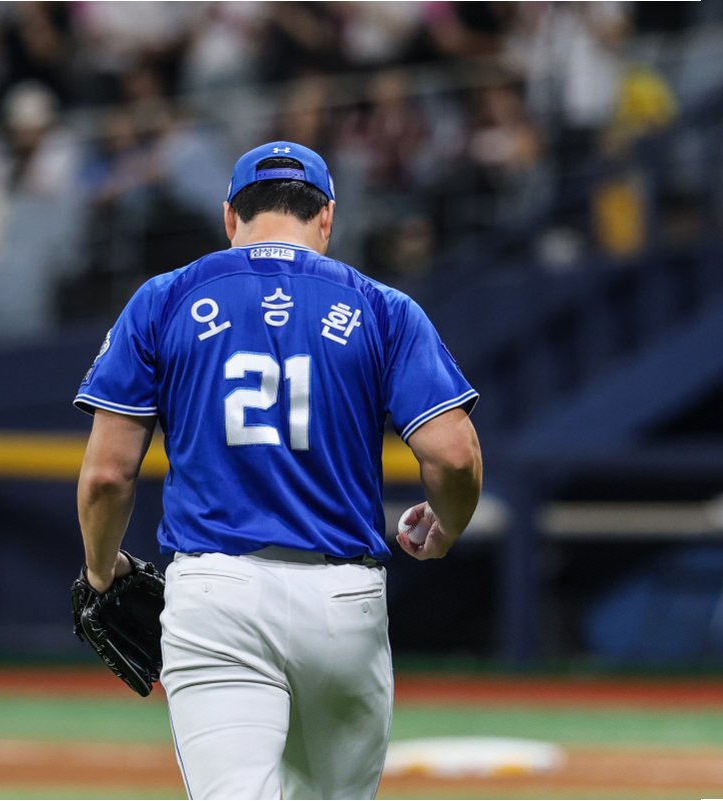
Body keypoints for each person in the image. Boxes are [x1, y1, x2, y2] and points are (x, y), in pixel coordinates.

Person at [73, 141, 483, 799]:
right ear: (327, 217)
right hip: (342, 599)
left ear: (229, 216)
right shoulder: (381, 307)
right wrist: (447, 523)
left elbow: (106, 476)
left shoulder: (164, 299)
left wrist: (101, 571)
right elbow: (454, 455)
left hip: (216, 592)